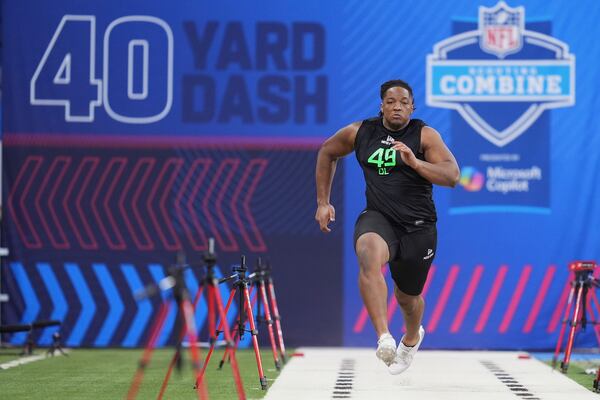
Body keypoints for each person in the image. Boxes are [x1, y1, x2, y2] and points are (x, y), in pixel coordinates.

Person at [314, 79, 459, 374]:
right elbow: (327, 152)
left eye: (403, 102)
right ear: (381, 105)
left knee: (408, 298)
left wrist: (415, 163)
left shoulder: (424, 135)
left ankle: (410, 337)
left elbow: (452, 175)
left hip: (418, 227)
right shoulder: (361, 132)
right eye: (391, 101)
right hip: (379, 217)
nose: (397, 107)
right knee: (368, 251)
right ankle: (384, 337)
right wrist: (323, 202)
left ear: (412, 107)